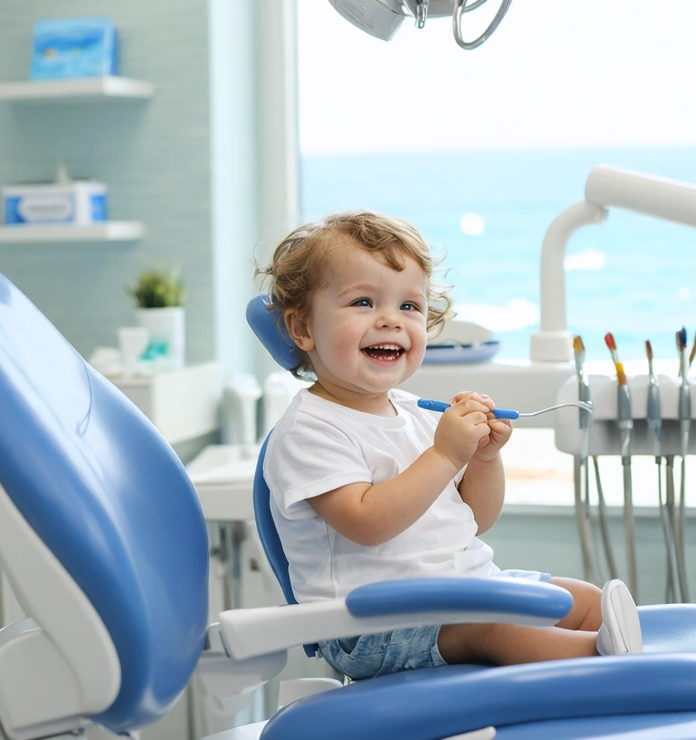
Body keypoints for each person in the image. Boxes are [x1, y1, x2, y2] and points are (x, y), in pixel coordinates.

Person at [259, 209, 642, 680]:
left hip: (461, 591)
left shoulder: (417, 411)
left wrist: (483, 458)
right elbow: (367, 523)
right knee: (496, 632)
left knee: (581, 600)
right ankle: (607, 665)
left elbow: (475, 519)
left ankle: (604, 646)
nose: (390, 321)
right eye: (362, 302)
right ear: (302, 329)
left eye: (409, 306)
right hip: (373, 626)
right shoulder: (310, 429)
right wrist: (444, 455)